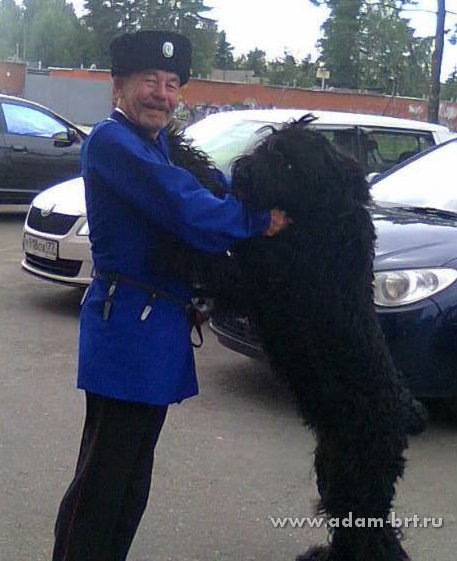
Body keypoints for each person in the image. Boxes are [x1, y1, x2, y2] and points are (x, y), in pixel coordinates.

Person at [52, 29, 290, 561]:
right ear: (118, 87)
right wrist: (257, 219)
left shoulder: (153, 143)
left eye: (171, 83)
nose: (162, 94)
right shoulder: (112, 143)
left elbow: (201, 192)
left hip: (156, 330)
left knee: (131, 485)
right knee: (102, 484)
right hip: (126, 333)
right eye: (149, 81)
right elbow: (183, 204)